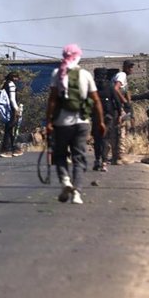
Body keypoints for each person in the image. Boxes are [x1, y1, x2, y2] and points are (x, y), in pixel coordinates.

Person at [44, 43, 105, 205]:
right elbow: (96, 100)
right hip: (82, 122)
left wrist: (48, 121)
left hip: (61, 123)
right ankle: (77, 193)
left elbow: (52, 100)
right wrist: (100, 122)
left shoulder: (57, 73)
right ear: (79, 57)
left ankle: (65, 181)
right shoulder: (85, 74)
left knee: (60, 155)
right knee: (79, 158)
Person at [109, 60, 136, 166]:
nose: (131, 69)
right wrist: (124, 101)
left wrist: (128, 100)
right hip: (118, 107)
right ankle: (120, 157)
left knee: (115, 132)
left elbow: (124, 91)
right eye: (129, 67)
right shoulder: (122, 75)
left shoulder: (120, 76)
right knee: (121, 131)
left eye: (132, 67)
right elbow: (116, 89)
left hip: (113, 107)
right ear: (124, 67)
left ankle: (115, 157)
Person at [0, 71, 22, 158]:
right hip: (11, 110)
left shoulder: (4, 84)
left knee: (9, 129)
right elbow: (12, 99)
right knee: (10, 129)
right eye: (16, 77)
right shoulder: (11, 84)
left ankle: (13, 149)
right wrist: (17, 109)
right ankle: (7, 149)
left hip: (6, 110)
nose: (17, 79)